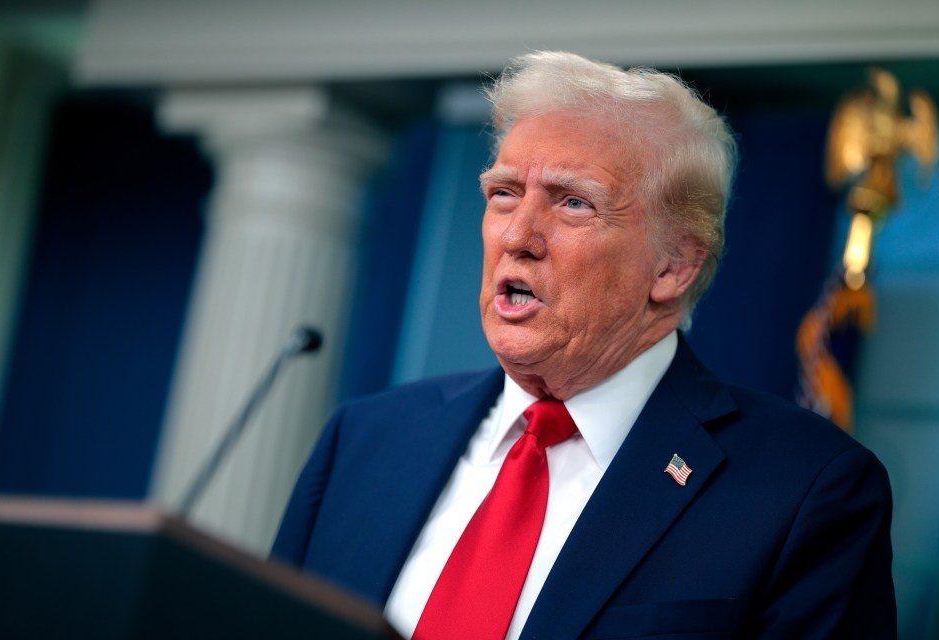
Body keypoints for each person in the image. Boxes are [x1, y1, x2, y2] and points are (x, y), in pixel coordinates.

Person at [272, 51, 896, 639]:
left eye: (573, 203)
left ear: (674, 267)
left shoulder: (804, 489)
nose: (517, 235)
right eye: (503, 194)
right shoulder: (364, 439)